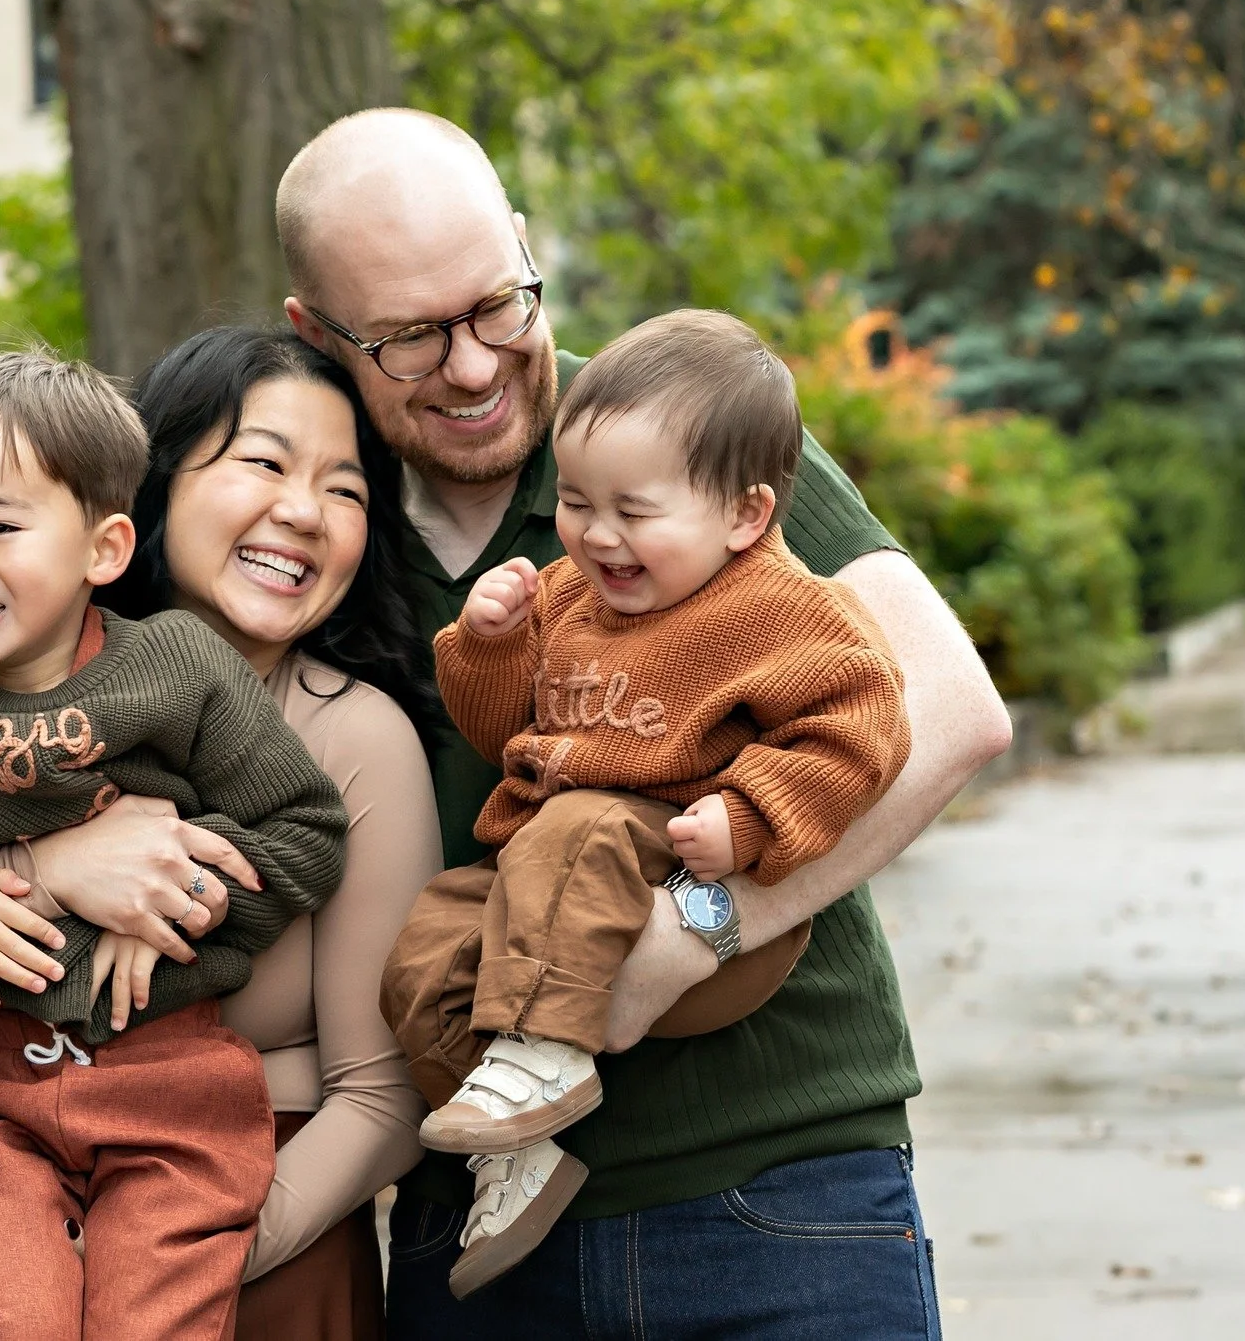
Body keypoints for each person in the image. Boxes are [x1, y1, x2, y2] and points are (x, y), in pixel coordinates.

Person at [274, 108, 1012, 1337]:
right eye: (407, 339)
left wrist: (697, 932)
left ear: (521, 245)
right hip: (477, 1234)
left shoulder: (670, 429)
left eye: (496, 304)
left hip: (777, 1186)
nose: (469, 364)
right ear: (313, 331)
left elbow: (948, 710)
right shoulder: (310, 528)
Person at [0, 328, 445, 1339]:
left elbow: (379, 1098)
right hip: (11, 1239)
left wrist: (146, 1277)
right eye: (264, 462)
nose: (301, 511)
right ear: (150, 489)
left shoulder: (351, 737)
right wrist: (44, 872)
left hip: (243, 1244)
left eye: (345, 489)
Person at [380, 308, 913, 1296]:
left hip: (686, 886)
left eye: (633, 511)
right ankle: (520, 1147)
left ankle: (541, 1058)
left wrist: (750, 814)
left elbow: (861, 726)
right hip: (546, 892)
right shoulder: (570, 596)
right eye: (576, 504)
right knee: (424, 947)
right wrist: (490, 642)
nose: (595, 535)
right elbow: (498, 733)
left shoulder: (781, 608)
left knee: (578, 827)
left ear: (743, 516)